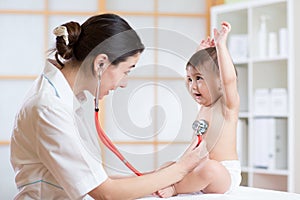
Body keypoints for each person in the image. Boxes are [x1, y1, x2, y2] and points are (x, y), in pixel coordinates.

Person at [10, 13, 207, 200]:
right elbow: (106, 193)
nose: (124, 83)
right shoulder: (49, 107)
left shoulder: (63, 98)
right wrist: (181, 168)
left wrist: (157, 176)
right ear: (101, 64)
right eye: (126, 71)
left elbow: (98, 181)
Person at [156, 21, 242, 198]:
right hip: (198, 166)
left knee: (210, 168)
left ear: (219, 82)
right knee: (167, 166)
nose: (193, 86)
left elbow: (229, 80)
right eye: (189, 79)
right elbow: (196, 73)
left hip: (222, 173)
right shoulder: (204, 106)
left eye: (199, 78)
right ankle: (169, 182)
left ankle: (176, 189)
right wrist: (199, 53)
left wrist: (220, 46)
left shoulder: (226, 106)